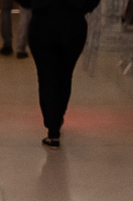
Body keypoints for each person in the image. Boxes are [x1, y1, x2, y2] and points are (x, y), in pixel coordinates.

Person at [19, 0, 101, 147]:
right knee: (65, 75)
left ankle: (53, 128)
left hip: (42, 20)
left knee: (46, 77)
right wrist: (84, 7)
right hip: (74, 21)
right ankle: (57, 118)